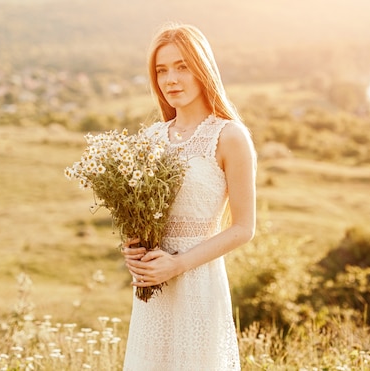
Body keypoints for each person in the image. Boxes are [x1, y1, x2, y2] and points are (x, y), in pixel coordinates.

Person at [120, 22, 257, 370]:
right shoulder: (150, 138)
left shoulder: (229, 137)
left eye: (182, 67)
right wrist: (134, 249)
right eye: (162, 70)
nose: (171, 80)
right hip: (153, 289)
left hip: (199, 284)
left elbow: (244, 228)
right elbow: (140, 216)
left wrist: (178, 264)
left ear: (203, 70)